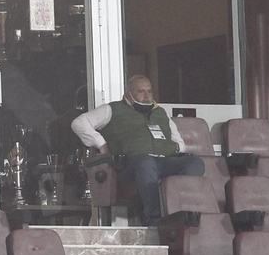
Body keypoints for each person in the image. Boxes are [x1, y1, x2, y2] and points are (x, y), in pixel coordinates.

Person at [70, 75, 205, 226]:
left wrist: (174, 148)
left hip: (163, 161)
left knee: (196, 163)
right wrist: (101, 143)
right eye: (141, 91)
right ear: (129, 94)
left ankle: (179, 213)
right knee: (146, 162)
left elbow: (180, 143)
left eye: (150, 91)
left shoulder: (161, 113)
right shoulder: (112, 109)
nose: (147, 96)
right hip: (129, 164)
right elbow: (79, 123)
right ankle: (153, 218)